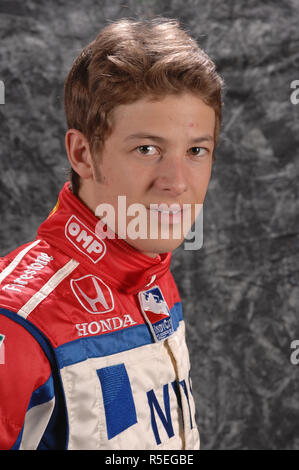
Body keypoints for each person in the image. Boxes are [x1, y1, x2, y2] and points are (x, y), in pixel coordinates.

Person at [0, 18, 223, 450]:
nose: (176, 183)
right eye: (147, 149)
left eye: (196, 150)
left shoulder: (152, 274)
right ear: (84, 154)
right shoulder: (16, 323)